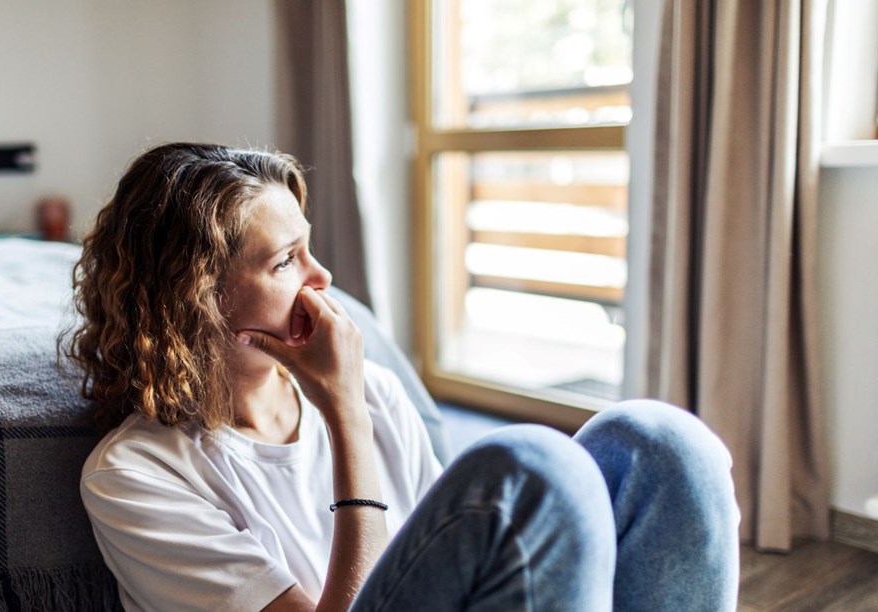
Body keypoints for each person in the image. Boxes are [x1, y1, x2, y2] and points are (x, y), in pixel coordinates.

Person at [64, 142, 740, 612]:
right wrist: (345, 416)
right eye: (284, 263)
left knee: (657, 440)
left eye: (311, 247)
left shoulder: (377, 390)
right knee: (530, 466)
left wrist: (354, 400)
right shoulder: (136, 475)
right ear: (197, 296)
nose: (323, 279)